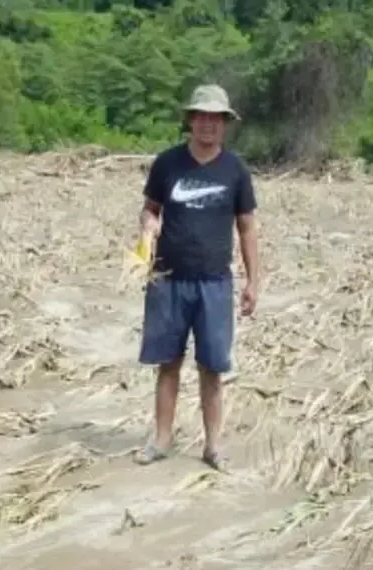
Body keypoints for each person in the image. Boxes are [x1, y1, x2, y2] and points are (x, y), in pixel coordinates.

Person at [133, 84, 261, 471]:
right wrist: (147, 232)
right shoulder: (167, 164)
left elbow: (247, 227)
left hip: (215, 284)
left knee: (212, 368)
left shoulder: (235, 170)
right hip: (168, 280)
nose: (208, 124)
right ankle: (162, 439)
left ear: (225, 124)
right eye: (201, 116)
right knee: (168, 363)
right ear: (190, 120)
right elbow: (149, 211)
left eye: (215, 118)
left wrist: (254, 281)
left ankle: (213, 446)